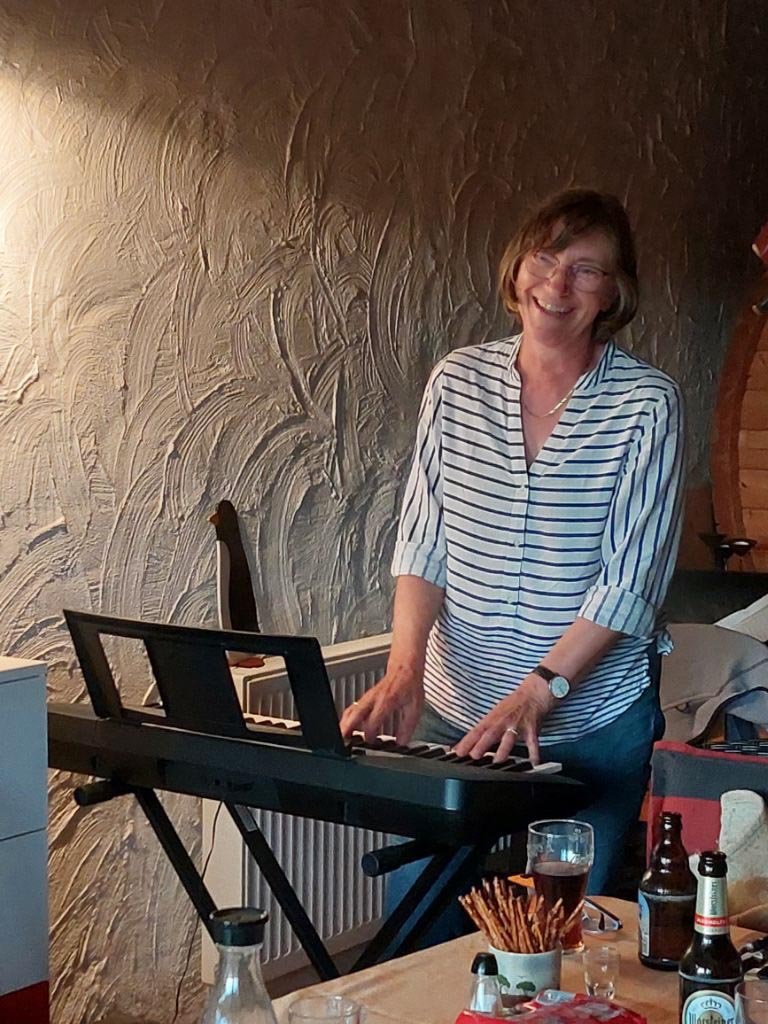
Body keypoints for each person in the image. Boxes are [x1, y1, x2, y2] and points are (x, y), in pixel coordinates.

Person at [340, 188, 685, 942]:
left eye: (585, 269)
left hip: (588, 728)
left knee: (557, 948)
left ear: (614, 293)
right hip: (454, 712)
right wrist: (402, 672)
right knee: (418, 935)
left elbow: (630, 584)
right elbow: (423, 542)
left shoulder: (646, 405)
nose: (557, 285)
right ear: (516, 268)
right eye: (544, 258)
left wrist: (539, 691)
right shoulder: (456, 382)